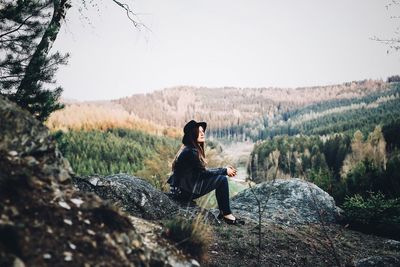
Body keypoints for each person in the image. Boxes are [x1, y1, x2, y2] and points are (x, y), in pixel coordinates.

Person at [167, 120, 244, 225]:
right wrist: (224, 171)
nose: (202, 133)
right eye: (199, 131)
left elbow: (201, 171)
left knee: (221, 178)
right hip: (184, 192)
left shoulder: (187, 149)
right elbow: (203, 174)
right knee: (222, 180)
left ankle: (224, 212)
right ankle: (226, 214)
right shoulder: (191, 152)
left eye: (203, 131)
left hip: (180, 191)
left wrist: (223, 169)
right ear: (192, 134)